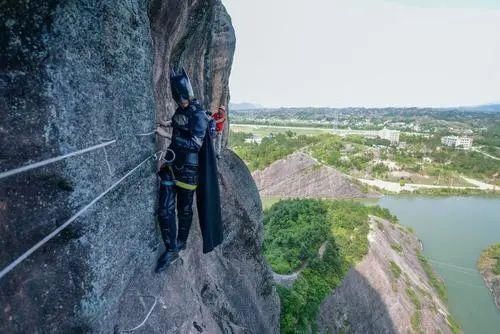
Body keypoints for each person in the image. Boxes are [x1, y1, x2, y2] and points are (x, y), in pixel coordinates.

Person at [154, 68, 223, 274]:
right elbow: (178, 121)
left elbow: (195, 144)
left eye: (180, 98)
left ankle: (180, 243)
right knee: (165, 209)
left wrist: (166, 135)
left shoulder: (199, 115)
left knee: (184, 209)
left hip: (188, 171)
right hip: (172, 164)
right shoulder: (182, 110)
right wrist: (167, 123)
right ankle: (171, 247)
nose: (180, 101)